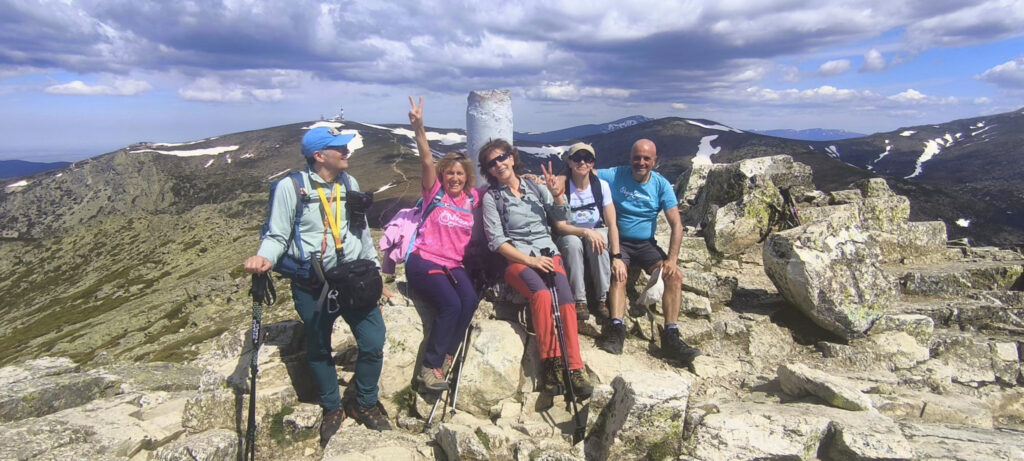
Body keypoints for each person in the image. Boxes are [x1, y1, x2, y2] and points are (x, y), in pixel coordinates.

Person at [243, 126, 390, 448]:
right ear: (319, 156)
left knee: (373, 341)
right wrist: (263, 258)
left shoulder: (349, 183)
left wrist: (376, 275)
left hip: (353, 278)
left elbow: (361, 233)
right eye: (339, 148)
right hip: (313, 284)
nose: (347, 152)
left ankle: (364, 401)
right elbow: (277, 235)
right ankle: (331, 407)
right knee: (319, 346)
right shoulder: (291, 187)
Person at [479, 139, 593, 399]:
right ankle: (551, 364)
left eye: (502, 157)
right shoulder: (492, 198)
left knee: (566, 303)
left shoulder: (533, 186)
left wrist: (555, 194)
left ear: (511, 157)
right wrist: (529, 261)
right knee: (541, 296)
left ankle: (574, 368)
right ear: (488, 170)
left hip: (549, 255)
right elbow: (497, 241)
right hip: (517, 261)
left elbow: (562, 218)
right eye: (492, 162)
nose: (499, 164)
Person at [595, 139, 701, 365]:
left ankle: (671, 335)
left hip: (645, 244)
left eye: (646, 159)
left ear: (655, 161)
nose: (640, 162)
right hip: (619, 241)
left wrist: (671, 260)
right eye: (637, 157)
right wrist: (550, 179)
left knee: (674, 276)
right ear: (630, 158)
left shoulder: (661, 185)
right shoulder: (615, 174)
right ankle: (616, 328)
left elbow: (677, 225)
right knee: (619, 273)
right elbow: (584, 172)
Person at [404, 97, 480, 392]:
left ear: (467, 178)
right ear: (442, 176)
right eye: (450, 173)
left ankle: (447, 355)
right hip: (424, 259)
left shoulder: (473, 199)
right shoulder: (434, 192)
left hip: (453, 264)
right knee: (450, 304)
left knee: (469, 301)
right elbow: (426, 160)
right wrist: (419, 127)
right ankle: (429, 368)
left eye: (460, 173)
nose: (455, 177)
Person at [555, 142, 620, 322]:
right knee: (572, 243)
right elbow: (560, 226)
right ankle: (579, 300)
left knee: (599, 240)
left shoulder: (601, 186)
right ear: (569, 162)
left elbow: (611, 223)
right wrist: (585, 232)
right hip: (571, 232)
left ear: (592, 163)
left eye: (587, 159)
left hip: (595, 231)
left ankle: (602, 298)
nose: (582, 162)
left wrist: (617, 256)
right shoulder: (561, 187)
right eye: (577, 158)